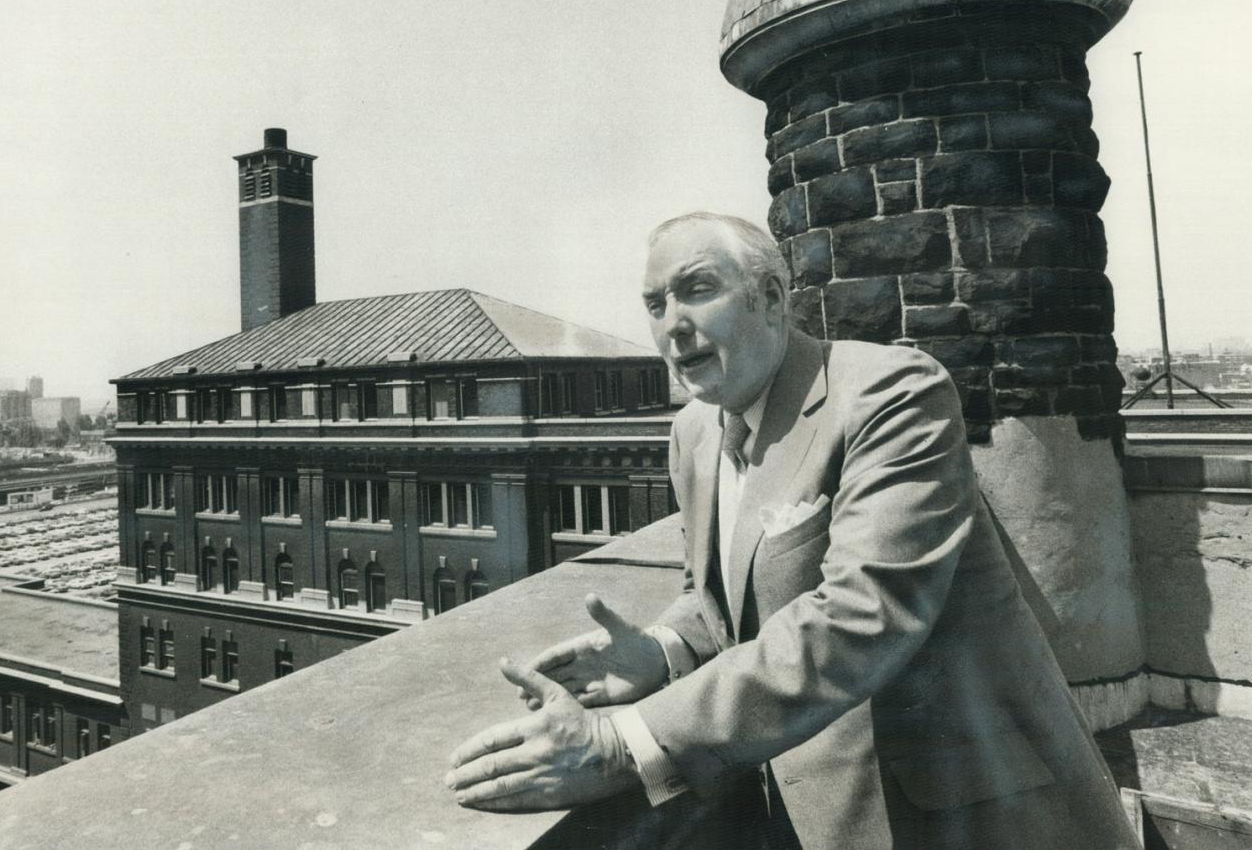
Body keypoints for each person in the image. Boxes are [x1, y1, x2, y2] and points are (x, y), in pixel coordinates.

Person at [446, 212, 1139, 849]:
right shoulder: (692, 432)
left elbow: (862, 617)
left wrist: (623, 741)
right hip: (805, 810)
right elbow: (722, 597)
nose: (673, 325)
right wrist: (662, 652)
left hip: (963, 814)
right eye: (656, 305)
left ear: (772, 298)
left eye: (697, 290)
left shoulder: (892, 394)